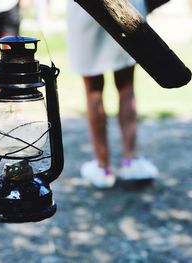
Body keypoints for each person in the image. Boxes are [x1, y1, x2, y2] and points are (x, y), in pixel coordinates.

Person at [67, 0, 158, 188]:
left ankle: (103, 167)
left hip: (86, 9)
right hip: (125, 5)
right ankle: (131, 160)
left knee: (93, 90)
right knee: (126, 86)